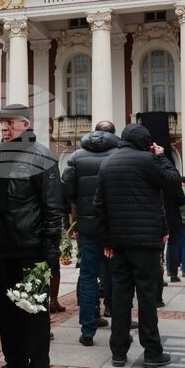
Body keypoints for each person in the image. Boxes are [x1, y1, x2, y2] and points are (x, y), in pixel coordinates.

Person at [0, 103, 62, 368]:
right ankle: (15, 364)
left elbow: (53, 208)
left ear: (26, 125)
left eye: (10, 124)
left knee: (33, 312)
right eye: (1, 124)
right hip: (5, 250)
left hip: (32, 250)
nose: (4, 129)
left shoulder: (41, 156)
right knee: (7, 312)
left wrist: (51, 254)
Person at [94, 123, 180, 368]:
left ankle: (118, 352)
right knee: (146, 295)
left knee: (120, 296)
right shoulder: (147, 161)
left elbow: (99, 205)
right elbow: (173, 183)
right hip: (145, 242)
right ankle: (152, 351)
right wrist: (162, 157)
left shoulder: (107, 163)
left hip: (119, 242)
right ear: (145, 141)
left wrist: (107, 240)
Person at [61, 120, 120, 346]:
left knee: (88, 276)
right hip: (115, 226)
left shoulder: (76, 157)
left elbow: (67, 191)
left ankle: (87, 329)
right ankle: (118, 322)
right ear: (114, 134)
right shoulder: (120, 155)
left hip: (87, 226)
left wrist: (80, 210)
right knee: (117, 275)